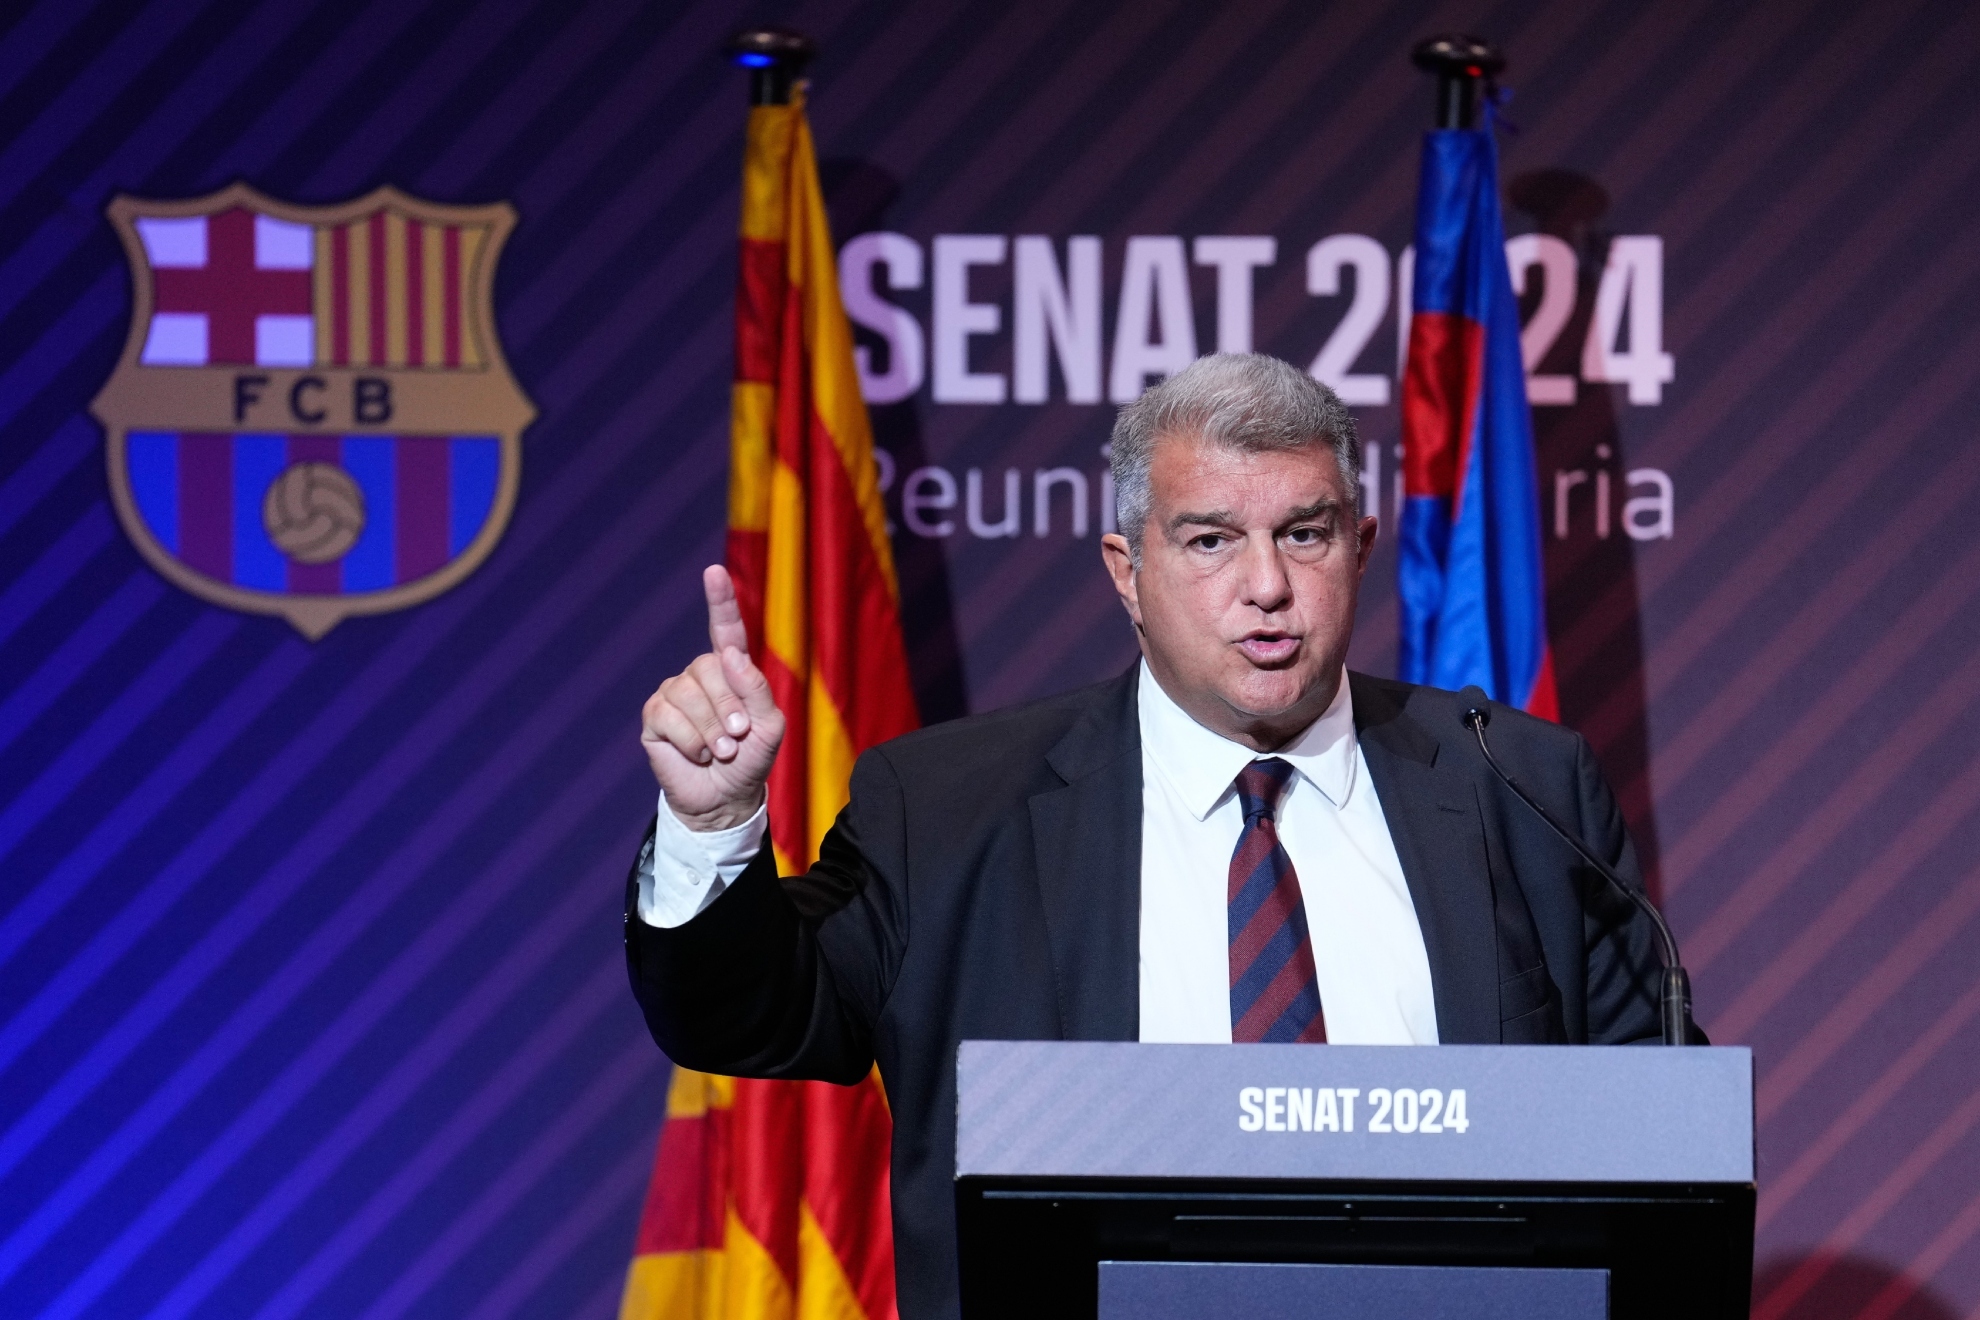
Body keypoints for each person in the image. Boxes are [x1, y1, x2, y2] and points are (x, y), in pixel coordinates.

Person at [626, 353, 1670, 1320]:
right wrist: (711, 823)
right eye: (1210, 539)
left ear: (1358, 546)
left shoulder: (1519, 785)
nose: (1266, 586)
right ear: (1127, 569)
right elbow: (750, 1017)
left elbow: (1660, 1147)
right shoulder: (947, 806)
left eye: (1303, 534)